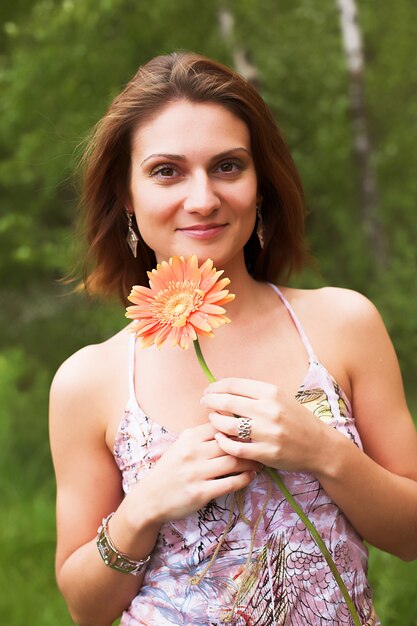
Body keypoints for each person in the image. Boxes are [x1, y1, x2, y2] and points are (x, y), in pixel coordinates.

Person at [49, 51, 417, 626]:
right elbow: (85, 607)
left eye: (227, 166)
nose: (203, 199)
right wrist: (139, 513)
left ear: (260, 184)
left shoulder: (342, 326)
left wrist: (322, 452)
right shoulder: (88, 380)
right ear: (126, 194)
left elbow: (412, 536)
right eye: (166, 171)